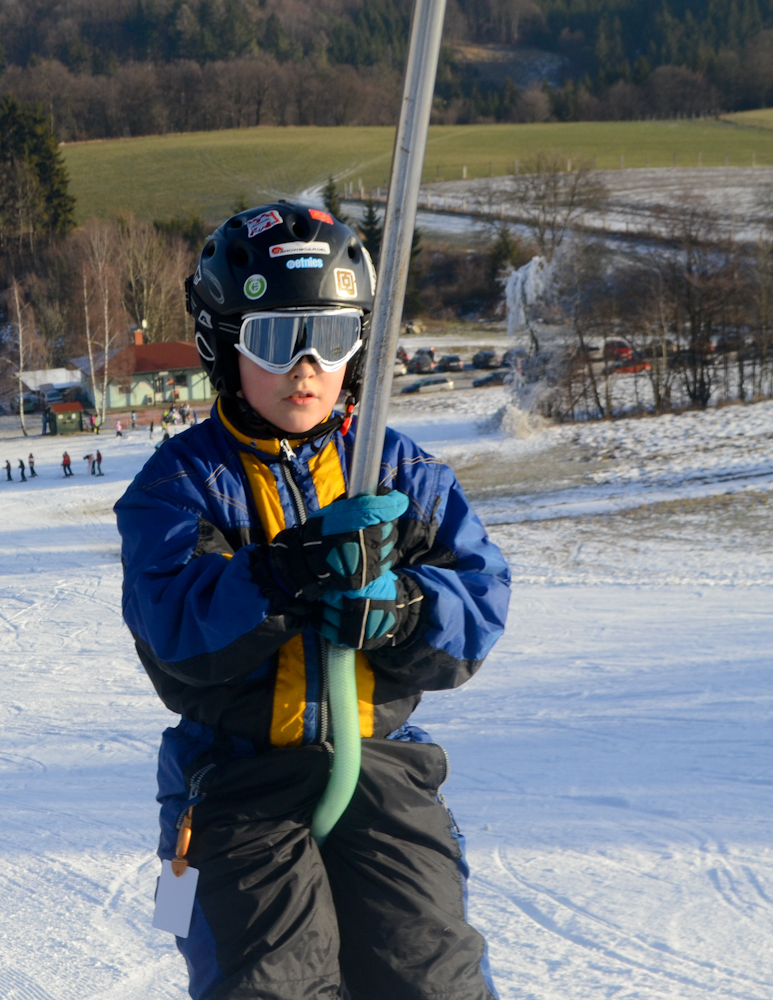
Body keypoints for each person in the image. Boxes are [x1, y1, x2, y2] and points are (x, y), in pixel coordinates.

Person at [117, 204, 509, 1000]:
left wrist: (403, 610)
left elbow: (478, 598)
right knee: (271, 980)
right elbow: (175, 632)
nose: (305, 366)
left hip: (380, 765)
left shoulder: (397, 474)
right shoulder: (182, 486)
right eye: (274, 339)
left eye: (330, 340)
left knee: (432, 975)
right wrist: (278, 575)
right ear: (224, 346)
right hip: (238, 783)